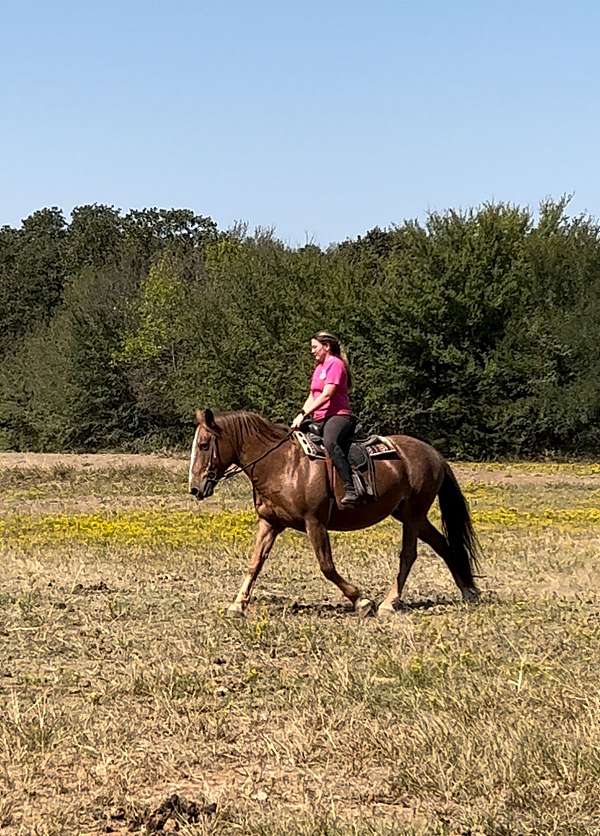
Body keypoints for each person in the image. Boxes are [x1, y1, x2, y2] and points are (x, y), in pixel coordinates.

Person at [291, 331, 359, 506]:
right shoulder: (319, 368)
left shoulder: (335, 364)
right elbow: (313, 396)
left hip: (339, 416)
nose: (312, 351)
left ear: (326, 346)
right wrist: (300, 414)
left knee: (330, 442)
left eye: (315, 347)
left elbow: (327, 395)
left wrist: (305, 415)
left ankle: (350, 487)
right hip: (320, 418)